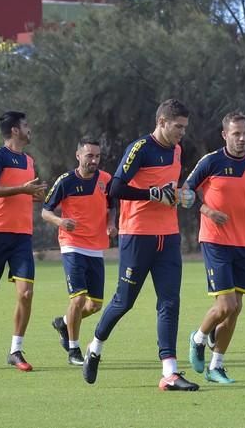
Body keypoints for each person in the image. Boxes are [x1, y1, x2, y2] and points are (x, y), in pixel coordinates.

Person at [81, 99, 199, 392]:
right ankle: (95, 347)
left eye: (184, 127)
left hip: (168, 236)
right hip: (137, 236)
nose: (182, 132)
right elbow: (116, 188)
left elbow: (169, 190)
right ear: (161, 122)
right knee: (124, 302)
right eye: (177, 126)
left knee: (170, 301)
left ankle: (169, 372)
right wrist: (152, 193)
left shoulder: (177, 150)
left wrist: (182, 196)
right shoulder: (140, 148)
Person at [184, 111, 245, 384]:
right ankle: (199, 337)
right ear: (225, 135)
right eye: (235, 134)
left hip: (243, 242)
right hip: (214, 240)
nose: (241, 139)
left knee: (235, 309)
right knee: (226, 304)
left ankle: (217, 366)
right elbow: (186, 192)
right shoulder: (211, 162)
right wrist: (207, 211)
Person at [0, 111, 47, 371]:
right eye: (26, 125)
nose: (29, 129)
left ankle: (16, 350)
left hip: (22, 237)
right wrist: (23, 189)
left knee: (26, 293)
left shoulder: (29, 160)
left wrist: (36, 194)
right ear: (15, 130)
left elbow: (24, 193)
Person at [42, 140, 117, 366]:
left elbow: (112, 205)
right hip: (72, 245)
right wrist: (60, 221)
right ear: (78, 155)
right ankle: (74, 350)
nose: (93, 160)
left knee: (94, 305)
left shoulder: (106, 180)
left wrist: (111, 223)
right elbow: (45, 212)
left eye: (97, 156)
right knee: (78, 299)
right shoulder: (66, 181)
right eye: (89, 156)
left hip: (96, 247)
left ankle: (64, 323)